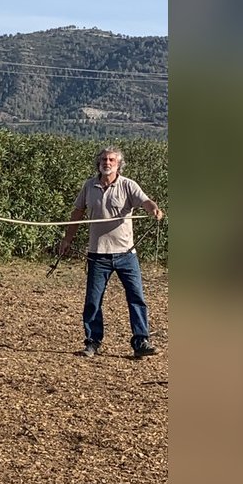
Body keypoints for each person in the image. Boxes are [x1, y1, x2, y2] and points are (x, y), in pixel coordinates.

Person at [58, 146, 165, 358]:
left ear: (118, 165)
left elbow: (145, 201)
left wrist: (153, 209)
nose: (107, 163)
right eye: (104, 160)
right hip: (98, 255)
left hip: (126, 254)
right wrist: (67, 239)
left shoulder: (128, 185)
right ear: (99, 163)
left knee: (137, 298)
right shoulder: (89, 186)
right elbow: (78, 212)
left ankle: (141, 341)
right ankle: (92, 342)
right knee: (93, 300)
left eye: (112, 160)